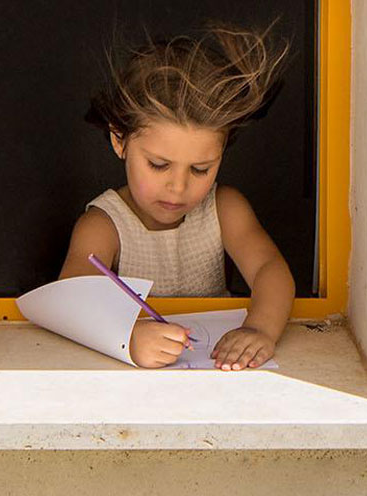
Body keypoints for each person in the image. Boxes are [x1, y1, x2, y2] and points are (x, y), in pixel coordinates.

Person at [58, 26, 296, 369]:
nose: (178, 187)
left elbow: (270, 269)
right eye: (158, 165)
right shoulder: (103, 224)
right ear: (119, 140)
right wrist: (128, 336)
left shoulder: (225, 208)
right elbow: (72, 298)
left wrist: (260, 329)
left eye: (200, 169)